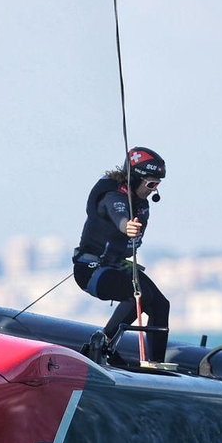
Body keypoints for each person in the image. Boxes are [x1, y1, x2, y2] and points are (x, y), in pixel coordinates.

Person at [72, 146, 171, 365]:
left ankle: (155, 363)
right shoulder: (112, 197)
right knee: (140, 294)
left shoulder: (139, 202)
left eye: (158, 185)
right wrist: (128, 227)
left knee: (161, 304)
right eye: (151, 184)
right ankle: (101, 344)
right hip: (91, 271)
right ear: (135, 178)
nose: (154, 190)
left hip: (115, 267)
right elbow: (119, 216)